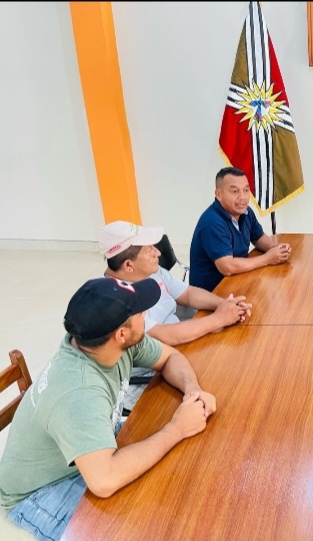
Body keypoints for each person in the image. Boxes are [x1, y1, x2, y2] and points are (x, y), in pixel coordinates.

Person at [0, 277, 217, 541]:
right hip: (43, 488)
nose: (146, 314)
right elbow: (104, 480)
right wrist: (177, 428)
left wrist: (192, 391)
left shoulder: (104, 341)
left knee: (174, 483)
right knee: (138, 528)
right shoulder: (79, 391)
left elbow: (170, 356)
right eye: (139, 312)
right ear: (121, 333)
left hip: (89, 449)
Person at [101, 220, 252, 346]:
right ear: (129, 266)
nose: (158, 253)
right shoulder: (117, 301)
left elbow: (188, 294)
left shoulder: (151, 271)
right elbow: (165, 336)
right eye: (149, 251)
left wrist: (225, 305)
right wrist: (219, 318)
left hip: (182, 336)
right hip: (161, 360)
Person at [190, 167, 292, 292]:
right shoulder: (212, 223)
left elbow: (258, 237)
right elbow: (227, 267)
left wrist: (276, 249)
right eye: (235, 191)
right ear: (218, 194)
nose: (243, 197)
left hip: (237, 281)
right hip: (213, 294)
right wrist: (268, 259)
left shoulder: (246, 212)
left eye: (246, 190)